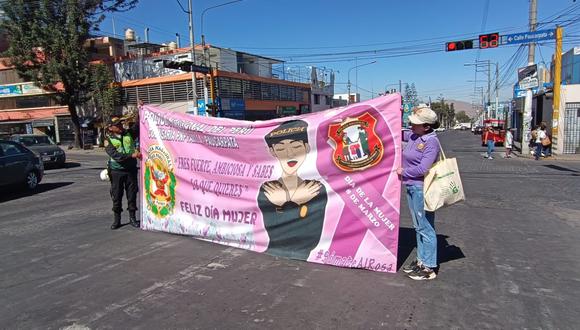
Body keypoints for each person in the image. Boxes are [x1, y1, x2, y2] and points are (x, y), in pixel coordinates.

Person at [257, 120, 328, 260]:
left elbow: (311, 237)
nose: (290, 154)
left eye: (296, 147)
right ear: (272, 152)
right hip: (269, 257)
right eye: (281, 149)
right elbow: (274, 233)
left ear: (307, 148)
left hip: (304, 259)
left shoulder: (317, 189)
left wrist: (284, 204)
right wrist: (295, 202)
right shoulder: (267, 189)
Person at [397, 105, 441, 280]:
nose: (411, 126)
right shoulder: (415, 136)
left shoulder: (431, 142)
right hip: (412, 187)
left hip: (422, 188)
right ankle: (422, 260)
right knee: (418, 226)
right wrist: (396, 111)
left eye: (415, 124)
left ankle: (429, 267)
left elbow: (423, 168)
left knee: (426, 227)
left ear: (427, 126)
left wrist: (404, 172)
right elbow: (397, 132)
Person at [105, 116, 141, 230]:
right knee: (117, 195)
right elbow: (115, 156)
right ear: (110, 128)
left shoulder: (128, 133)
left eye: (121, 124)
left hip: (131, 170)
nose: (120, 126)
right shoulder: (108, 139)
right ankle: (117, 220)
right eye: (117, 125)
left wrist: (140, 111)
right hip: (116, 171)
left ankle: (132, 218)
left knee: (132, 194)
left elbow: (138, 125)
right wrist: (131, 155)